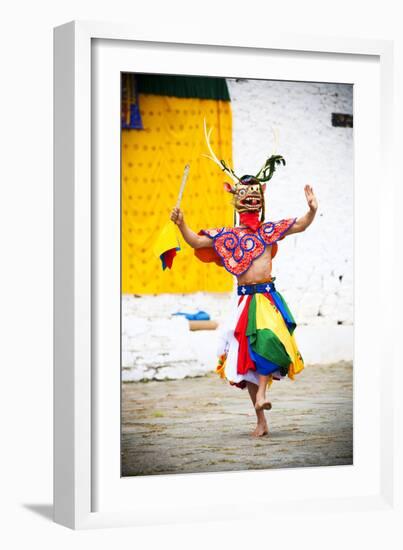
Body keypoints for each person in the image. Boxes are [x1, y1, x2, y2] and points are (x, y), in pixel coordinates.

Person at [170, 128, 318, 437]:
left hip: (267, 298)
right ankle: (260, 420)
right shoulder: (228, 236)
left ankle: (264, 396)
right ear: (235, 200)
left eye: (255, 196)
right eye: (244, 196)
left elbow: (300, 225)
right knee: (247, 364)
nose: (250, 200)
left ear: (261, 200)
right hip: (244, 302)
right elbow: (197, 242)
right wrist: (182, 223)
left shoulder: (269, 231)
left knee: (268, 342)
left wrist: (312, 210)